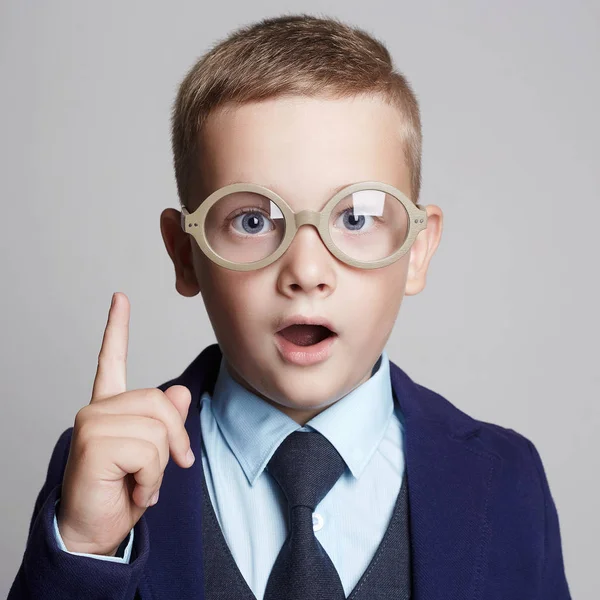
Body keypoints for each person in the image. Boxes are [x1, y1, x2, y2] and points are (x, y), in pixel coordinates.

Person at [8, 13, 571, 600]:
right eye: (252, 221)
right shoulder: (103, 468)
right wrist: (85, 548)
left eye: (355, 218)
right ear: (184, 254)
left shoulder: (506, 478)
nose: (306, 272)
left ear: (418, 249)